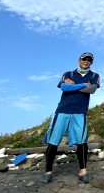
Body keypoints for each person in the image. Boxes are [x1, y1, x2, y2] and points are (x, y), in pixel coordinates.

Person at [40, 52, 100, 184]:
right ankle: (48, 172)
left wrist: (72, 87)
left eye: (89, 60)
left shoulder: (94, 75)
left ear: (91, 63)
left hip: (80, 112)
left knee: (82, 141)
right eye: (84, 59)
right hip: (63, 110)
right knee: (53, 141)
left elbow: (92, 90)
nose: (86, 61)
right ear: (79, 60)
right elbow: (64, 88)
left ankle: (83, 172)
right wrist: (84, 85)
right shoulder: (68, 74)